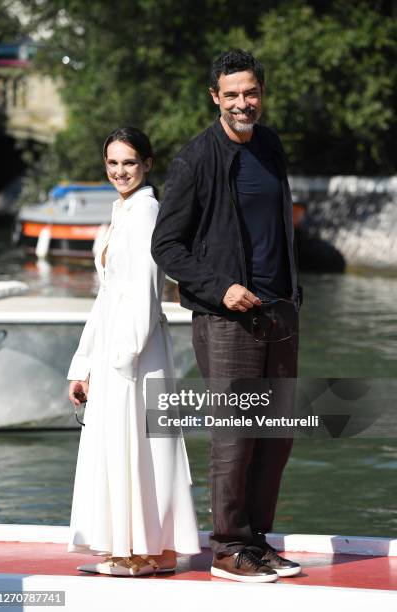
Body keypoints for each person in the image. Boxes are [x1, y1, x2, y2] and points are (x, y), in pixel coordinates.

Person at [151, 49, 302, 583]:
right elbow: (166, 245)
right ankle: (227, 548)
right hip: (226, 316)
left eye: (251, 92)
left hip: (279, 310)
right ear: (215, 96)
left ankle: (257, 542)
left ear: (262, 92)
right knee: (235, 435)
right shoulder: (197, 158)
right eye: (232, 94)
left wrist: (290, 294)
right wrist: (223, 288)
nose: (243, 102)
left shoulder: (271, 145)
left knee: (275, 433)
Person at [67, 127, 200, 576]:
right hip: (114, 344)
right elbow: (105, 297)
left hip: (134, 352)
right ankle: (140, 549)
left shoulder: (145, 212)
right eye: (112, 163)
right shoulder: (120, 210)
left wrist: (121, 358)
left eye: (128, 162)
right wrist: (83, 364)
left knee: (139, 444)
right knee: (129, 446)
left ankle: (144, 552)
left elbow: (146, 294)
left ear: (147, 164)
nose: (120, 171)